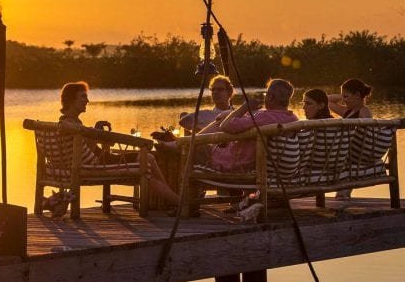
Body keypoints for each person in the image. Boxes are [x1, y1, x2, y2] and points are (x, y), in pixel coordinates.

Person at [49, 81, 180, 212]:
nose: (87, 100)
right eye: (83, 96)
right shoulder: (70, 126)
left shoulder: (67, 123)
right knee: (147, 160)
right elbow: (89, 150)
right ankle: (178, 202)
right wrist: (95, 133)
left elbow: (84, 149)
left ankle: (172, 198)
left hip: (97, 160)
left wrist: (96, 132)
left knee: (148, 160)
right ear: (71, 100)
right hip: (97, 164)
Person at [199, 78, 299, 173]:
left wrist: (245, 107)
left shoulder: (264, 117)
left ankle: (191, 190)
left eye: (266, 94)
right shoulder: (293, 118)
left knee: (190, 147)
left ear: (271, 97)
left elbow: (225, 126)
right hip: (256, 165)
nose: (265, 97)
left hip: (233, 164)